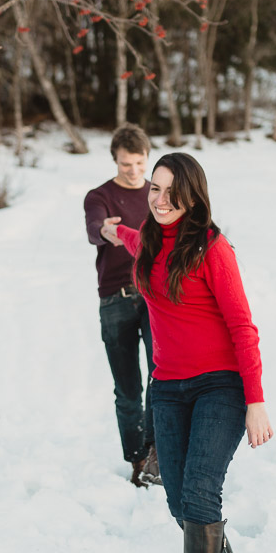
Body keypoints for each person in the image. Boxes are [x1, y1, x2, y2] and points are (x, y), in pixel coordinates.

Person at [101, 152, 273, 553]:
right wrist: (116, 230)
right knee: (177, 500)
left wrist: (256, 399)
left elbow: (243, 326)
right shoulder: (149, 240)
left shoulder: (212, 249)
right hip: (168, 390)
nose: (160, 199)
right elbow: (135, 240)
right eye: (155, 188)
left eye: (171, 192)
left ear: (193, 196)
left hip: (221, 385)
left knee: (200, 492)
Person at [83, 124, 161, 488]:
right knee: (127, 389)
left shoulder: (156, 195)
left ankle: (157, 452)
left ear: (148, 158)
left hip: (154, 297)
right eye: (126, 164)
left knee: (160, 378)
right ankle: (137, 459)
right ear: (115, 159)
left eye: (139, 163)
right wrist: (107, 231)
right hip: (115, 299)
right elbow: (94, 227)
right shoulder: (99, 195)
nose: (134, 171)